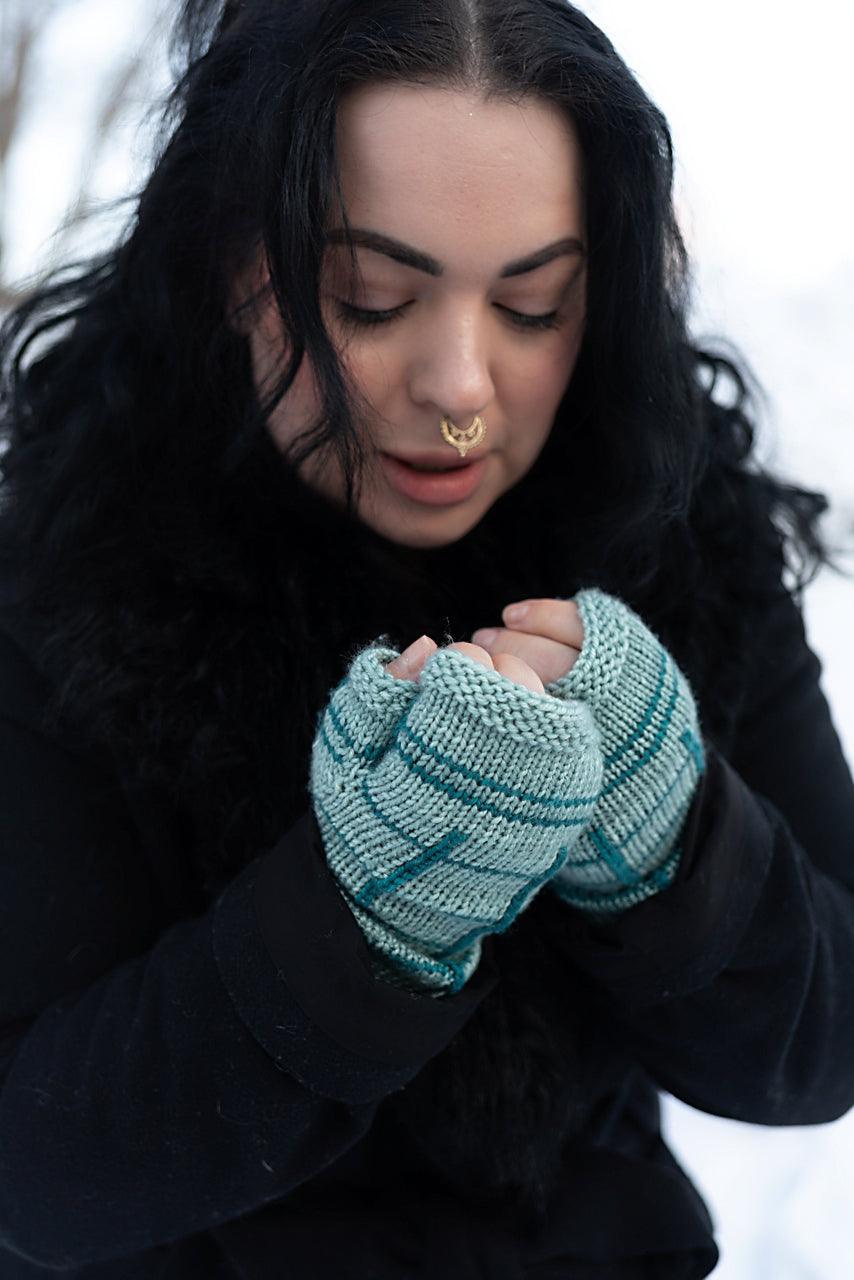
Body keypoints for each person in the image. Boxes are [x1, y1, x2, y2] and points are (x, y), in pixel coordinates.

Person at [0, 0, 852, 1276]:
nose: (458, 391)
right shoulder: (62, 576)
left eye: (532, 306)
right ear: (233, 264)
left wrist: (673, 837)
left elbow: (823, 1045)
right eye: (372, 297)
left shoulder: (677, 528)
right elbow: (36, 1177)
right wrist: (364, 921)